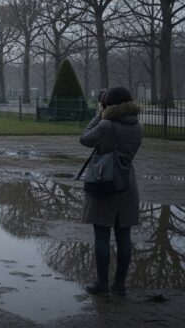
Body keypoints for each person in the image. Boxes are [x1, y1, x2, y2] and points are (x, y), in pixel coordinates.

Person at [79, 86, 142, 297]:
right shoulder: (137, 126)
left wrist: (99, 114)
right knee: (124, 235)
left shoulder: (106, 125)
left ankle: (102, 284)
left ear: (109, 105)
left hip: (104, 182)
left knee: (102, 235)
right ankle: (120, 285)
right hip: (127, 184)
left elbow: (85, 138)